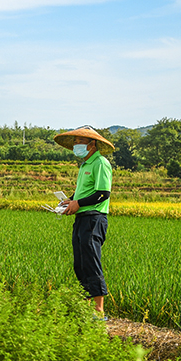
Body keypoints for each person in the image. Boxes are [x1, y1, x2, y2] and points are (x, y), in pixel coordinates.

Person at [53, 126, 114, 319]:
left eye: (79, 141)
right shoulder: (85, 165)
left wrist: (79, 203)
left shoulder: (101, 163)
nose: (76, 145)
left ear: (92, 143)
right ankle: (85, 305)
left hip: (94, 218)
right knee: (79, 263)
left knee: (91, 262)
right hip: (81, 218)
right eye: (75, 141)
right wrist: (71, 200)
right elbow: (83, 191)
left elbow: (103, 194)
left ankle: (99, 309)